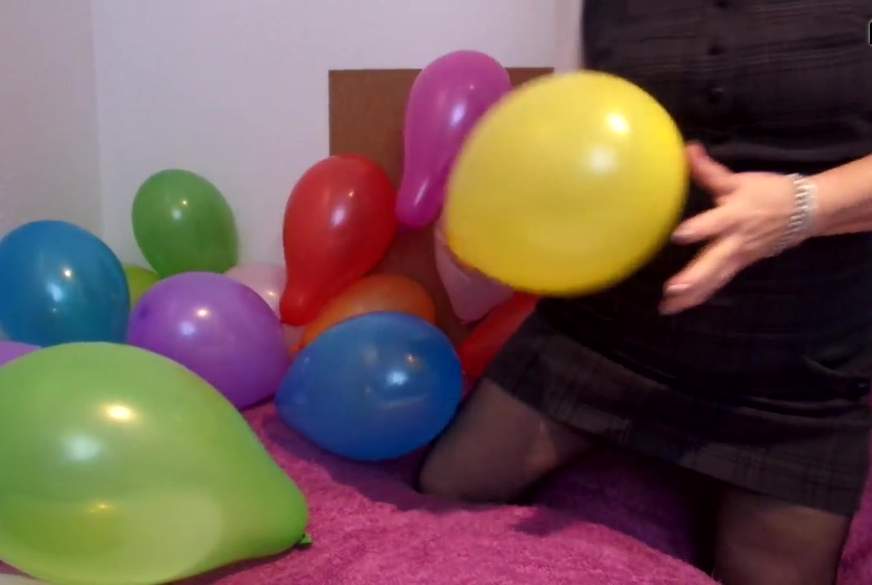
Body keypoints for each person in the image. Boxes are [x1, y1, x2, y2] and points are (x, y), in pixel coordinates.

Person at [419, 2, 872, 584]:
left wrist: (803, 208)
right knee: (446, 488)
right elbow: (581, 129)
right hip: (607, 332)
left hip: (797, 373)